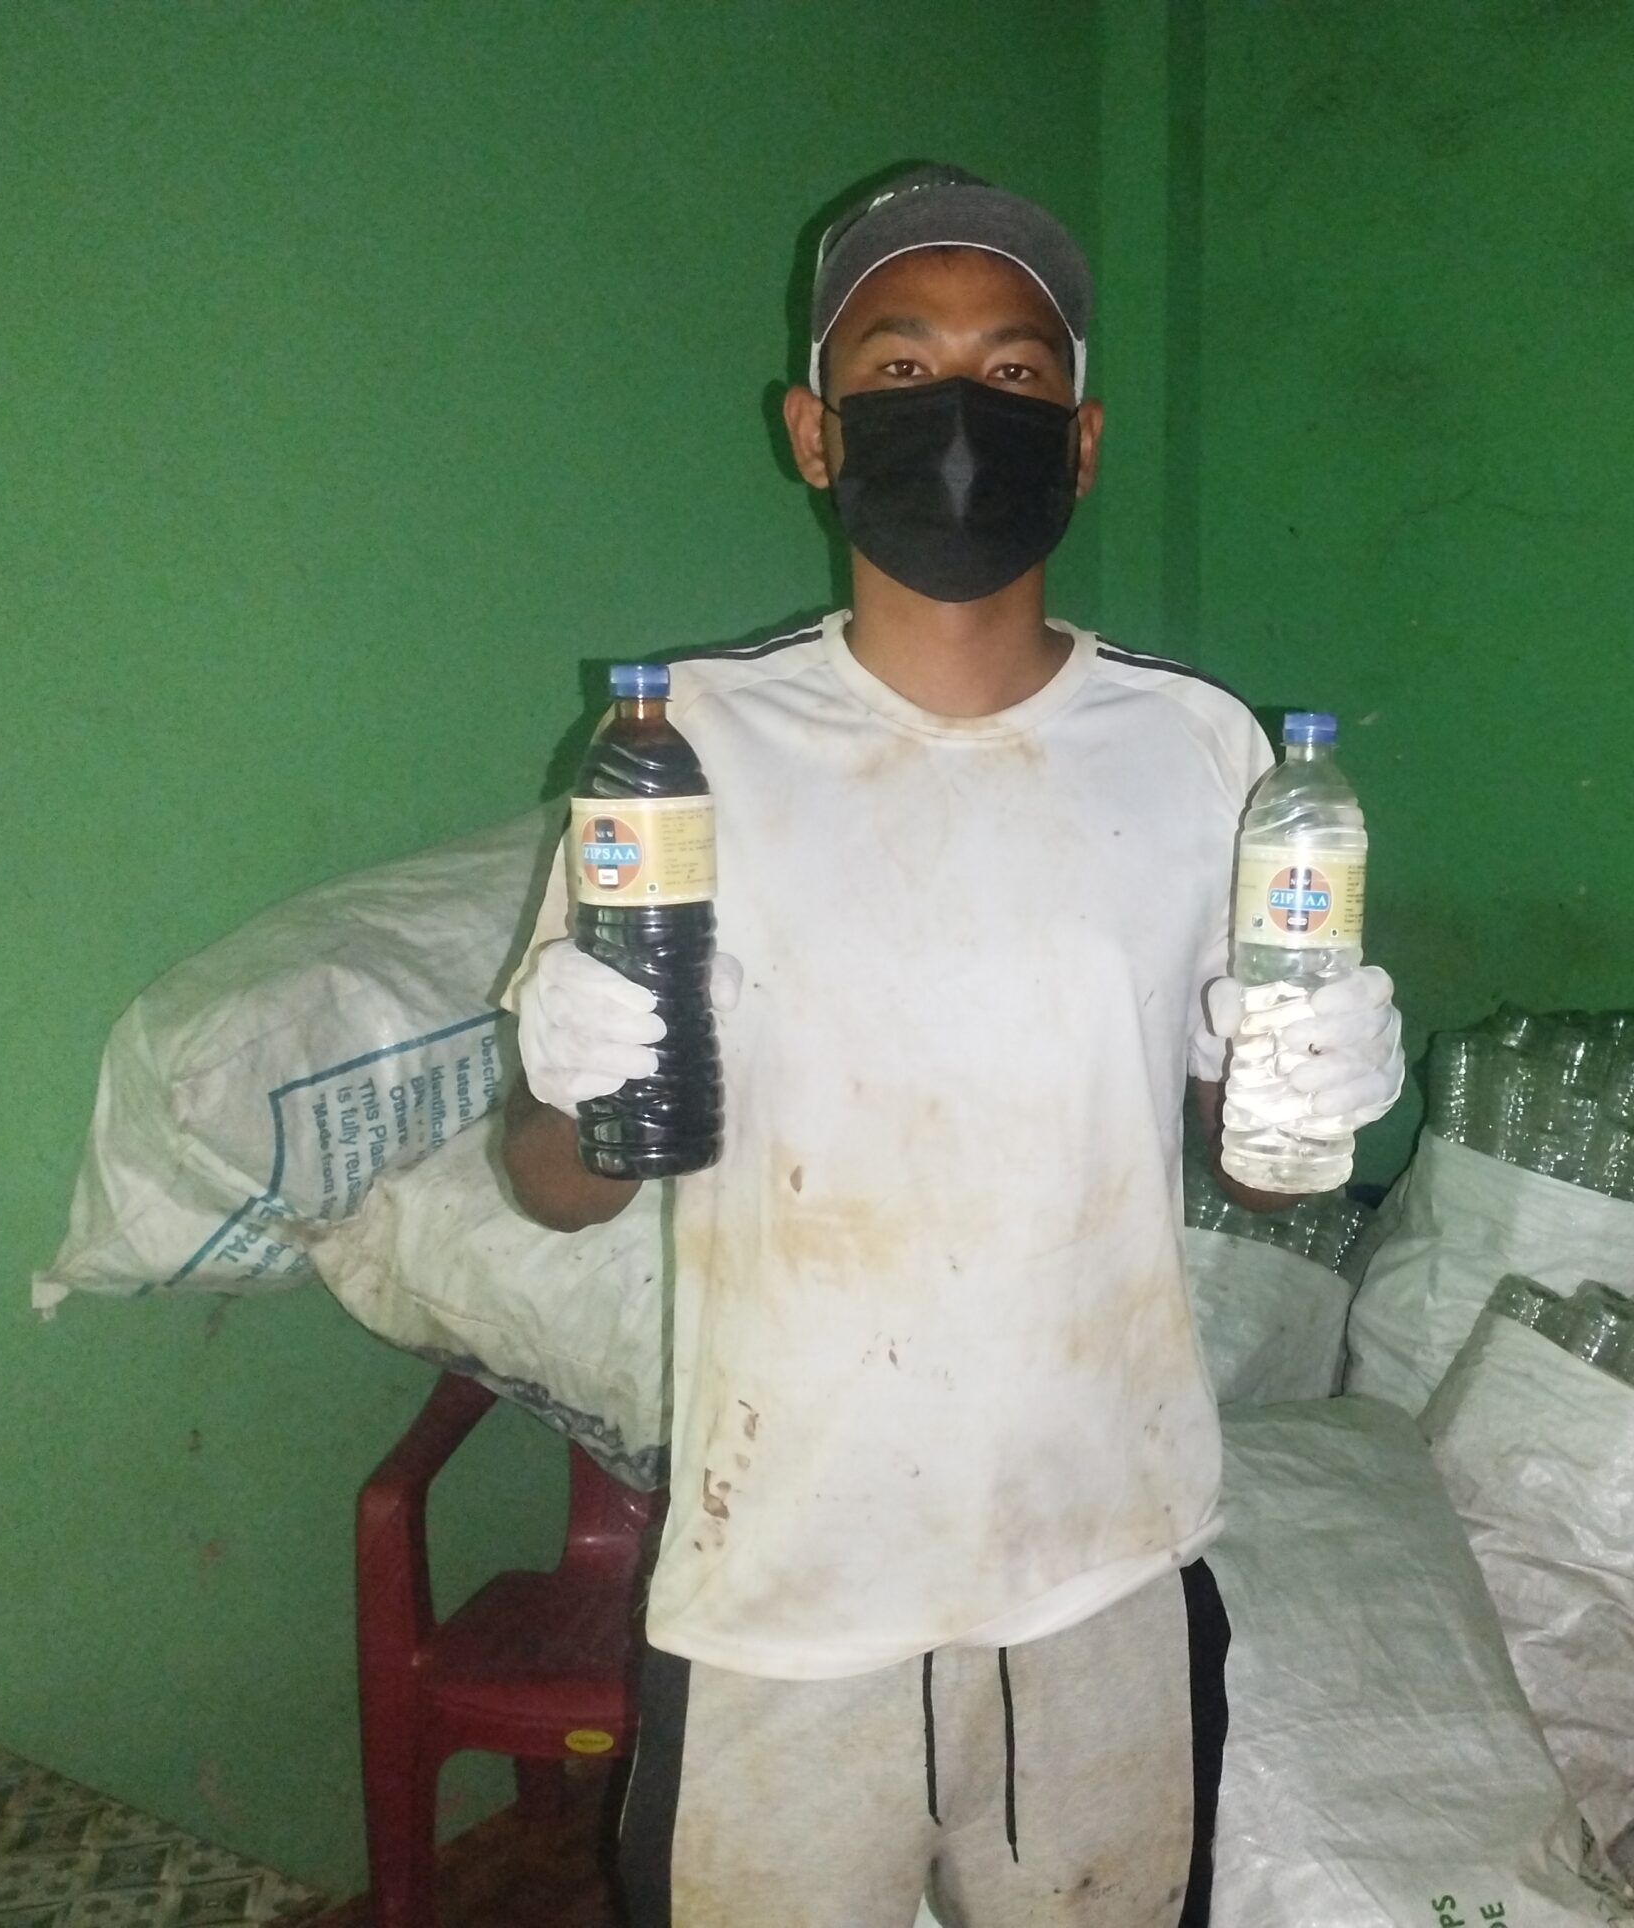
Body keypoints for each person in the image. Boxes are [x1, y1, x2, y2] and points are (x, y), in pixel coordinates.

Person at [499, 165, 1405, 1928]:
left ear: (1081, 441)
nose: (959, 410)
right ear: (814, 432)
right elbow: (555, 1192)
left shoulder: (1203, 755)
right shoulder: (684, 755)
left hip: (1103, 1568)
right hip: (789, 1591)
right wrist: (568, 1080)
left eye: (1013, 372)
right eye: (901, 371)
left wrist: (1319, 1096)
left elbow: (1258, 1169)